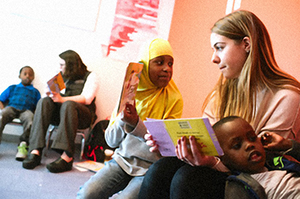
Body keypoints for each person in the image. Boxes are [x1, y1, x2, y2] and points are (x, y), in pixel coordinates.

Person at [139, 10, 300, 199]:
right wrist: (174, 146)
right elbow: (210, 144)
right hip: (223, 168)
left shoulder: (287, 97)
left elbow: (262, 164)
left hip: (257, 181)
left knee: (188, 178)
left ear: (246, 44)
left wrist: (211, 162)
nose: (214, 58)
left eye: (220, 47)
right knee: (162, 168)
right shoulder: (221, 94)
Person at [76, 38, 183, 199]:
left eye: (170, 63)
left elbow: (164, 146)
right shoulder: (130, 93)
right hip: (121, 161)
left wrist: (135, 124)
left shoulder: (174, 99)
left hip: (150, 169)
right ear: (145, 66)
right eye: (159, 62)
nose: (167, 69)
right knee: (86, 194)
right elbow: (111, 141)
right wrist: (122, 120)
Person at [22, 50, 98, 173]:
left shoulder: (91, 76)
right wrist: (50, 94)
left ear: (71, 65)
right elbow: (47, 94)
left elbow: (87, 98)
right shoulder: (61, 76)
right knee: (44, 101)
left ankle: (67, 157)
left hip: (82, 115)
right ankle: (35, 151)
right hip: (64, 113)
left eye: (62, 65)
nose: (60, 67)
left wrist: (62, 99)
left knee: (68, 104)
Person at [213, 116, 300, 198]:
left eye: (252, 138)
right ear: (223, 158)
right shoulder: (238, 186)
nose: (249, 145)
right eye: (237, 145)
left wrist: (287, 145)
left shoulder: (276, 162)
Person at [0, 66, 41, 161]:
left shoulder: (35, 92)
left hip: (27, 111)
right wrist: (3, 109)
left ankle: (23, 145)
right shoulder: (12, 88)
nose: (27, 76)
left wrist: (34, 114)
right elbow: (0, 100)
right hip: (12, 108)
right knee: (2, 116)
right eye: (25, 74)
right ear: (19, 76)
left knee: (30, 120)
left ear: (33, 78)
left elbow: (39, 106)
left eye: (30, 75)